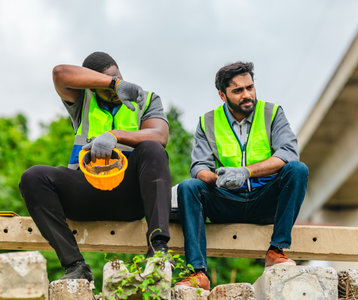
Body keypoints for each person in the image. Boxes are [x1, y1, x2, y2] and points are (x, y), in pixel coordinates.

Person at [19, 52, 172, 283]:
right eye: (108, 86)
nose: (115, 92)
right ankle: (75, 265)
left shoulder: (146, 99)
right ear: (93, 85)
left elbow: (160, 135)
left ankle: (158, 250)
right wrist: (113, 83)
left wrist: (114, 135)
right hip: (86, 192)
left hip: (130, 196)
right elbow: (59, 73)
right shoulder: (82, 99)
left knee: (154, 150)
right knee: (33, 177)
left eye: (118, 79)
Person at [175, 62, 308, 290]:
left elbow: (288, 154)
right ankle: (198, 273)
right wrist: (219, 179)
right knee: (188, 187)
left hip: (265, 202)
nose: (247, 95)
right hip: (227, 202)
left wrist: (246, 172)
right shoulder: (208, 121)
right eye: (238, 90)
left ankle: (276, 252)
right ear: (222, 94)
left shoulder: (272, 113)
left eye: (250, 87)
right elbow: (199, 167)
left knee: (298, 170)